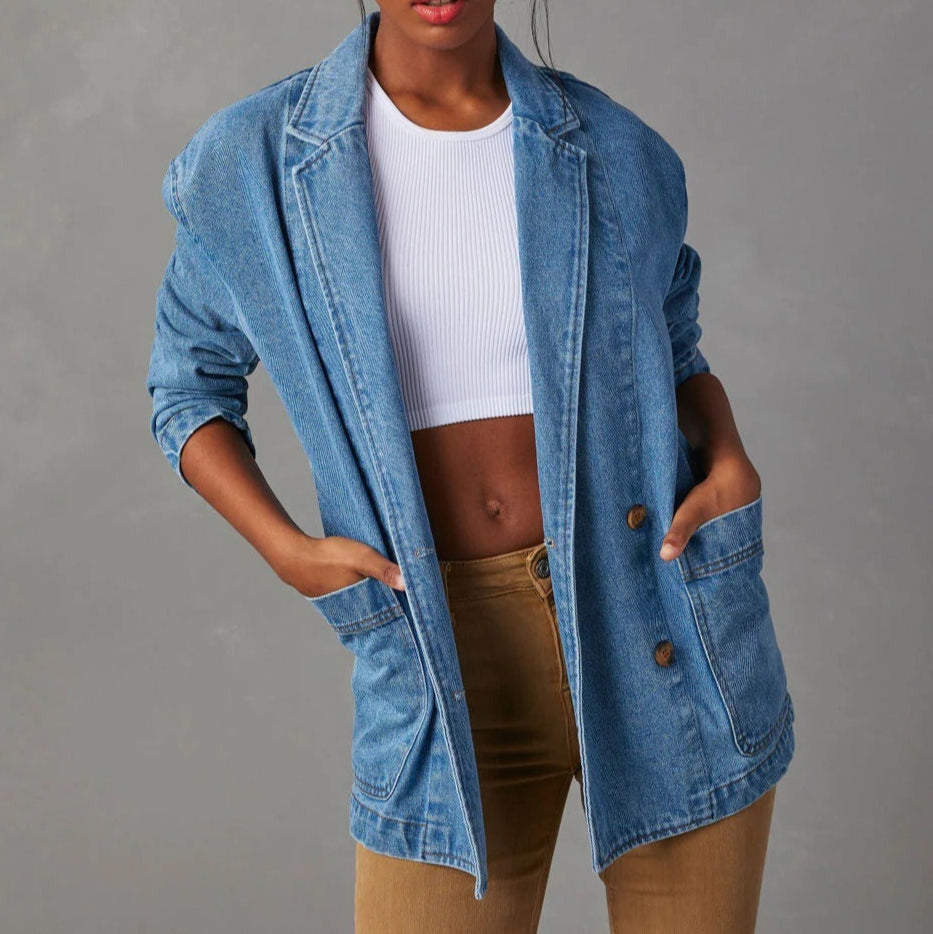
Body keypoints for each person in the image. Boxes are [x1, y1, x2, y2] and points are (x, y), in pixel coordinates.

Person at [147, 2, 795, 931]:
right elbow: (188, 386)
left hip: (655, 622)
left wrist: (726, 455)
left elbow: (673, 344)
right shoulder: (252, 161)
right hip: (437, 644)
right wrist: (288, 551)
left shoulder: (615, 148)